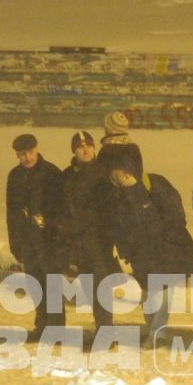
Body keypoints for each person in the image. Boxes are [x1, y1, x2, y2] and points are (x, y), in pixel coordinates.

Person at [102, 142, 193, 344]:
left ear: (125, 170)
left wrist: (169, 243)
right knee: (147, 295)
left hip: (164, 251)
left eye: (115, 172)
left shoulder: (154, 184)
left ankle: (159, 332)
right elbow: (119, 226)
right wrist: (126, 251)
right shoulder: (117, 195)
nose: (113, 177)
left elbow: (175, 215)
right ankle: (152, 329)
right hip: (141, 254)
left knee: (161, 292)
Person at [6, 133, 63, 335]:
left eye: (30, 152)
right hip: (28, 240)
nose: (27, 158)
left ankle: (56, 328)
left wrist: (50, 224)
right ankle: (42, 325)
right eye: (22, 154)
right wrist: (15, 242)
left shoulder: (51, 173)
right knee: (35, 284)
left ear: (37, 149)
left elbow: (61, 207)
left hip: (49, 240)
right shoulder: (14, 176)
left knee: (52, 284)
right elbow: (11, 212)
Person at [60, 130, 117, 329]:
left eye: (89, 146)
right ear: (74, 151)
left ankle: (106, 333)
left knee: (100, 288)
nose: (85, 150)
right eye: (80, 147)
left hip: (98, 242)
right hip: (77, 243)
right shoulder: (67, 175)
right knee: (88, 288)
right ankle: (100, 329)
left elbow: (104, 209)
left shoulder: (102, 173)